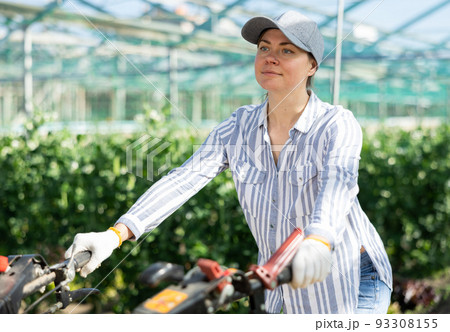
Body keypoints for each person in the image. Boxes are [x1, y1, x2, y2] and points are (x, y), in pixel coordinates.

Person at [66, 10, 392, 314]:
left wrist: (319, 239)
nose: (271, 57)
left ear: (312, 66)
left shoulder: (336, 124)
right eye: (264, 47)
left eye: (287, 50)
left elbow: (338, 183)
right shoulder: (238, 127)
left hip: (347, 272)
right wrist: (115, 234)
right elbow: (185, 178)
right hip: (280, 275)